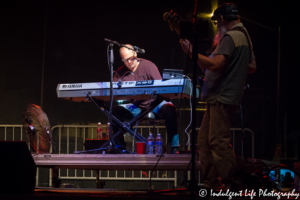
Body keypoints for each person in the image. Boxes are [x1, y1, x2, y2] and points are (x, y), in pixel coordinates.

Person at [180, 3, 256, 190]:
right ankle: (212, 184)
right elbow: (252, 66)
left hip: (222, 97)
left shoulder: (230, 37)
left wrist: (192, 53)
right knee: (205, 142)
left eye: (217, 22)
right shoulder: (244, 36)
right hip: (221, 97)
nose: (216, 26)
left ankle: (235, 185)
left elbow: (216, 65)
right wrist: (233, 73)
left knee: (217, 142)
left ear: (221, 20)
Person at [112, 44, 180, 153]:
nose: (129, 62)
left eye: (131, 58)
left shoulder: (149, 66)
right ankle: (120, 146)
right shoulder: (120, 72)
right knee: (114, 110)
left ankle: (174, 146)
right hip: (136, 106)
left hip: (156, 103)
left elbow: (162, 88)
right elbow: (114, 91)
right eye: (125, 60)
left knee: (169, 109)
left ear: (135, 54)